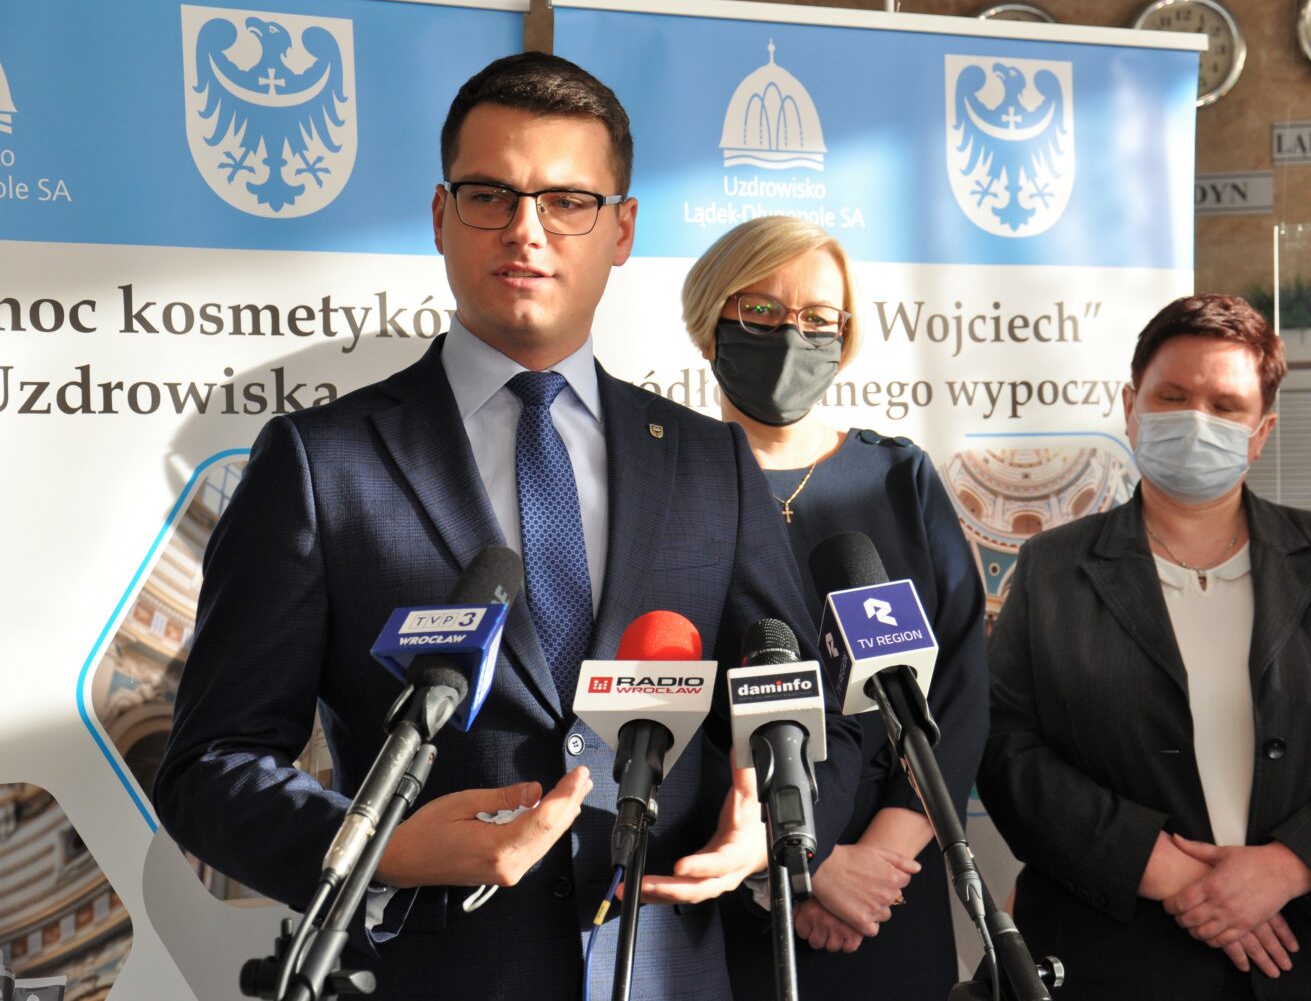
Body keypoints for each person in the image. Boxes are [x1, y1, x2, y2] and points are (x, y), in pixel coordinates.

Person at [154, 53, 860, 1001]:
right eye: (490, 195)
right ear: (441, 216)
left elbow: (814, 706)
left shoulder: (708, 461)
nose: (527, 231)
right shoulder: (322, 463)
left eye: (568, 201)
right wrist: (385, 850)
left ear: (622, 229)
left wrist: (771, 821)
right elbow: (211, 764)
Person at [977, 293, 1311, 1000]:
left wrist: (1289, 866)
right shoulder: (1053, 569)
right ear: (1131, 408)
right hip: (1120, 958)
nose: (1196, 420)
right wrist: (1167, 872)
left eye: (1226, 406)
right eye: (1172, 397)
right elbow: (1006, 746)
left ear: (1261, 432)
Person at [679, 216, 989, 1000]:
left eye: (819, 317)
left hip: (888, 894)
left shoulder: (898, 479)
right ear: (711, 320)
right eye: (762, 310)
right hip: (726, 897)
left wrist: (883, 856)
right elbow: (663, 706)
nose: (793, 336)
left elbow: (957, 689)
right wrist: (803, 864)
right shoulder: (665, 487)